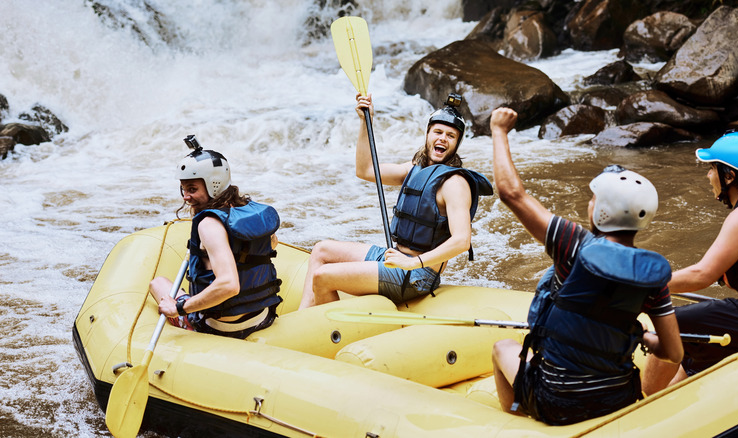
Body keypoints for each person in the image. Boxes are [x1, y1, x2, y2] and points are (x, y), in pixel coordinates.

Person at [489, 107, 683, 425]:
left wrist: (499, 130)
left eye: (593, 200)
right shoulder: (652, 275)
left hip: (555, 402)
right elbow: (673, 353)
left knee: (502, 347)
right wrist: (645, 338)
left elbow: (512, 193)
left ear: (603, 212)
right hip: (618, 399)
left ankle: (516, 423)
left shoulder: (572, 244)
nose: (589, 203)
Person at [297, 93, 493, 309]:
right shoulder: (414, 169)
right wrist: (366, 122)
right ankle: (302, 319)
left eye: (451, 135)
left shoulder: (454, 183)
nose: (442, 139)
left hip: (416, 273)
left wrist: (412, 263)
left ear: (456, 144)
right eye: (437, 132)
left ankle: (326, 336)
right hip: (394, 257)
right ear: (427, 134)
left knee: (323, 276)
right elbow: (366, 170)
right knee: (321, 250)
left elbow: (462, 240)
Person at [643, 131, 738, 395]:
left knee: (671, 322)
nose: (708, 176)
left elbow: (702, 275)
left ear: (729, 176)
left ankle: (640, 406)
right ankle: (670, 398)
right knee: (699, 339)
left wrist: (644, 284)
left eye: (711, 169)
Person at [150, 135, 282, 339]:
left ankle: (188, 323)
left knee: (158, 284)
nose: (185, 197)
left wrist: (179, 308)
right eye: (183, 189)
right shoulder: (248, 211)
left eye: (192, 189)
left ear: (213, 184)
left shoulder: (209, 225)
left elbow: (229, 285)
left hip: (222, 326)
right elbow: (272, 243)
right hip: (262, 315)